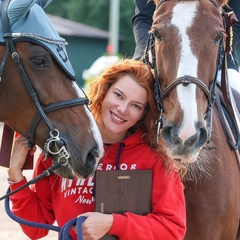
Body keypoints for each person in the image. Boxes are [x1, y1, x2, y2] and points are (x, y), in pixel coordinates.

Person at [7, 59, 186, 240]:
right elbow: (36, 228)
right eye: (118, 95)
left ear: (143, 114)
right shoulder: (63, 148)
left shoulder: (154, 159)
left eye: (136, 106)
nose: (123, 109)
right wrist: (15, 175)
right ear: (104, 91)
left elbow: (172, 230)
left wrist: (113, 224)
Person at [132, 0, 240, 71]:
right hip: (158, 55)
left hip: (216, 60)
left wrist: (215, 50)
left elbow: (235, 23)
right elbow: (143, 18)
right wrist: (149, 52)